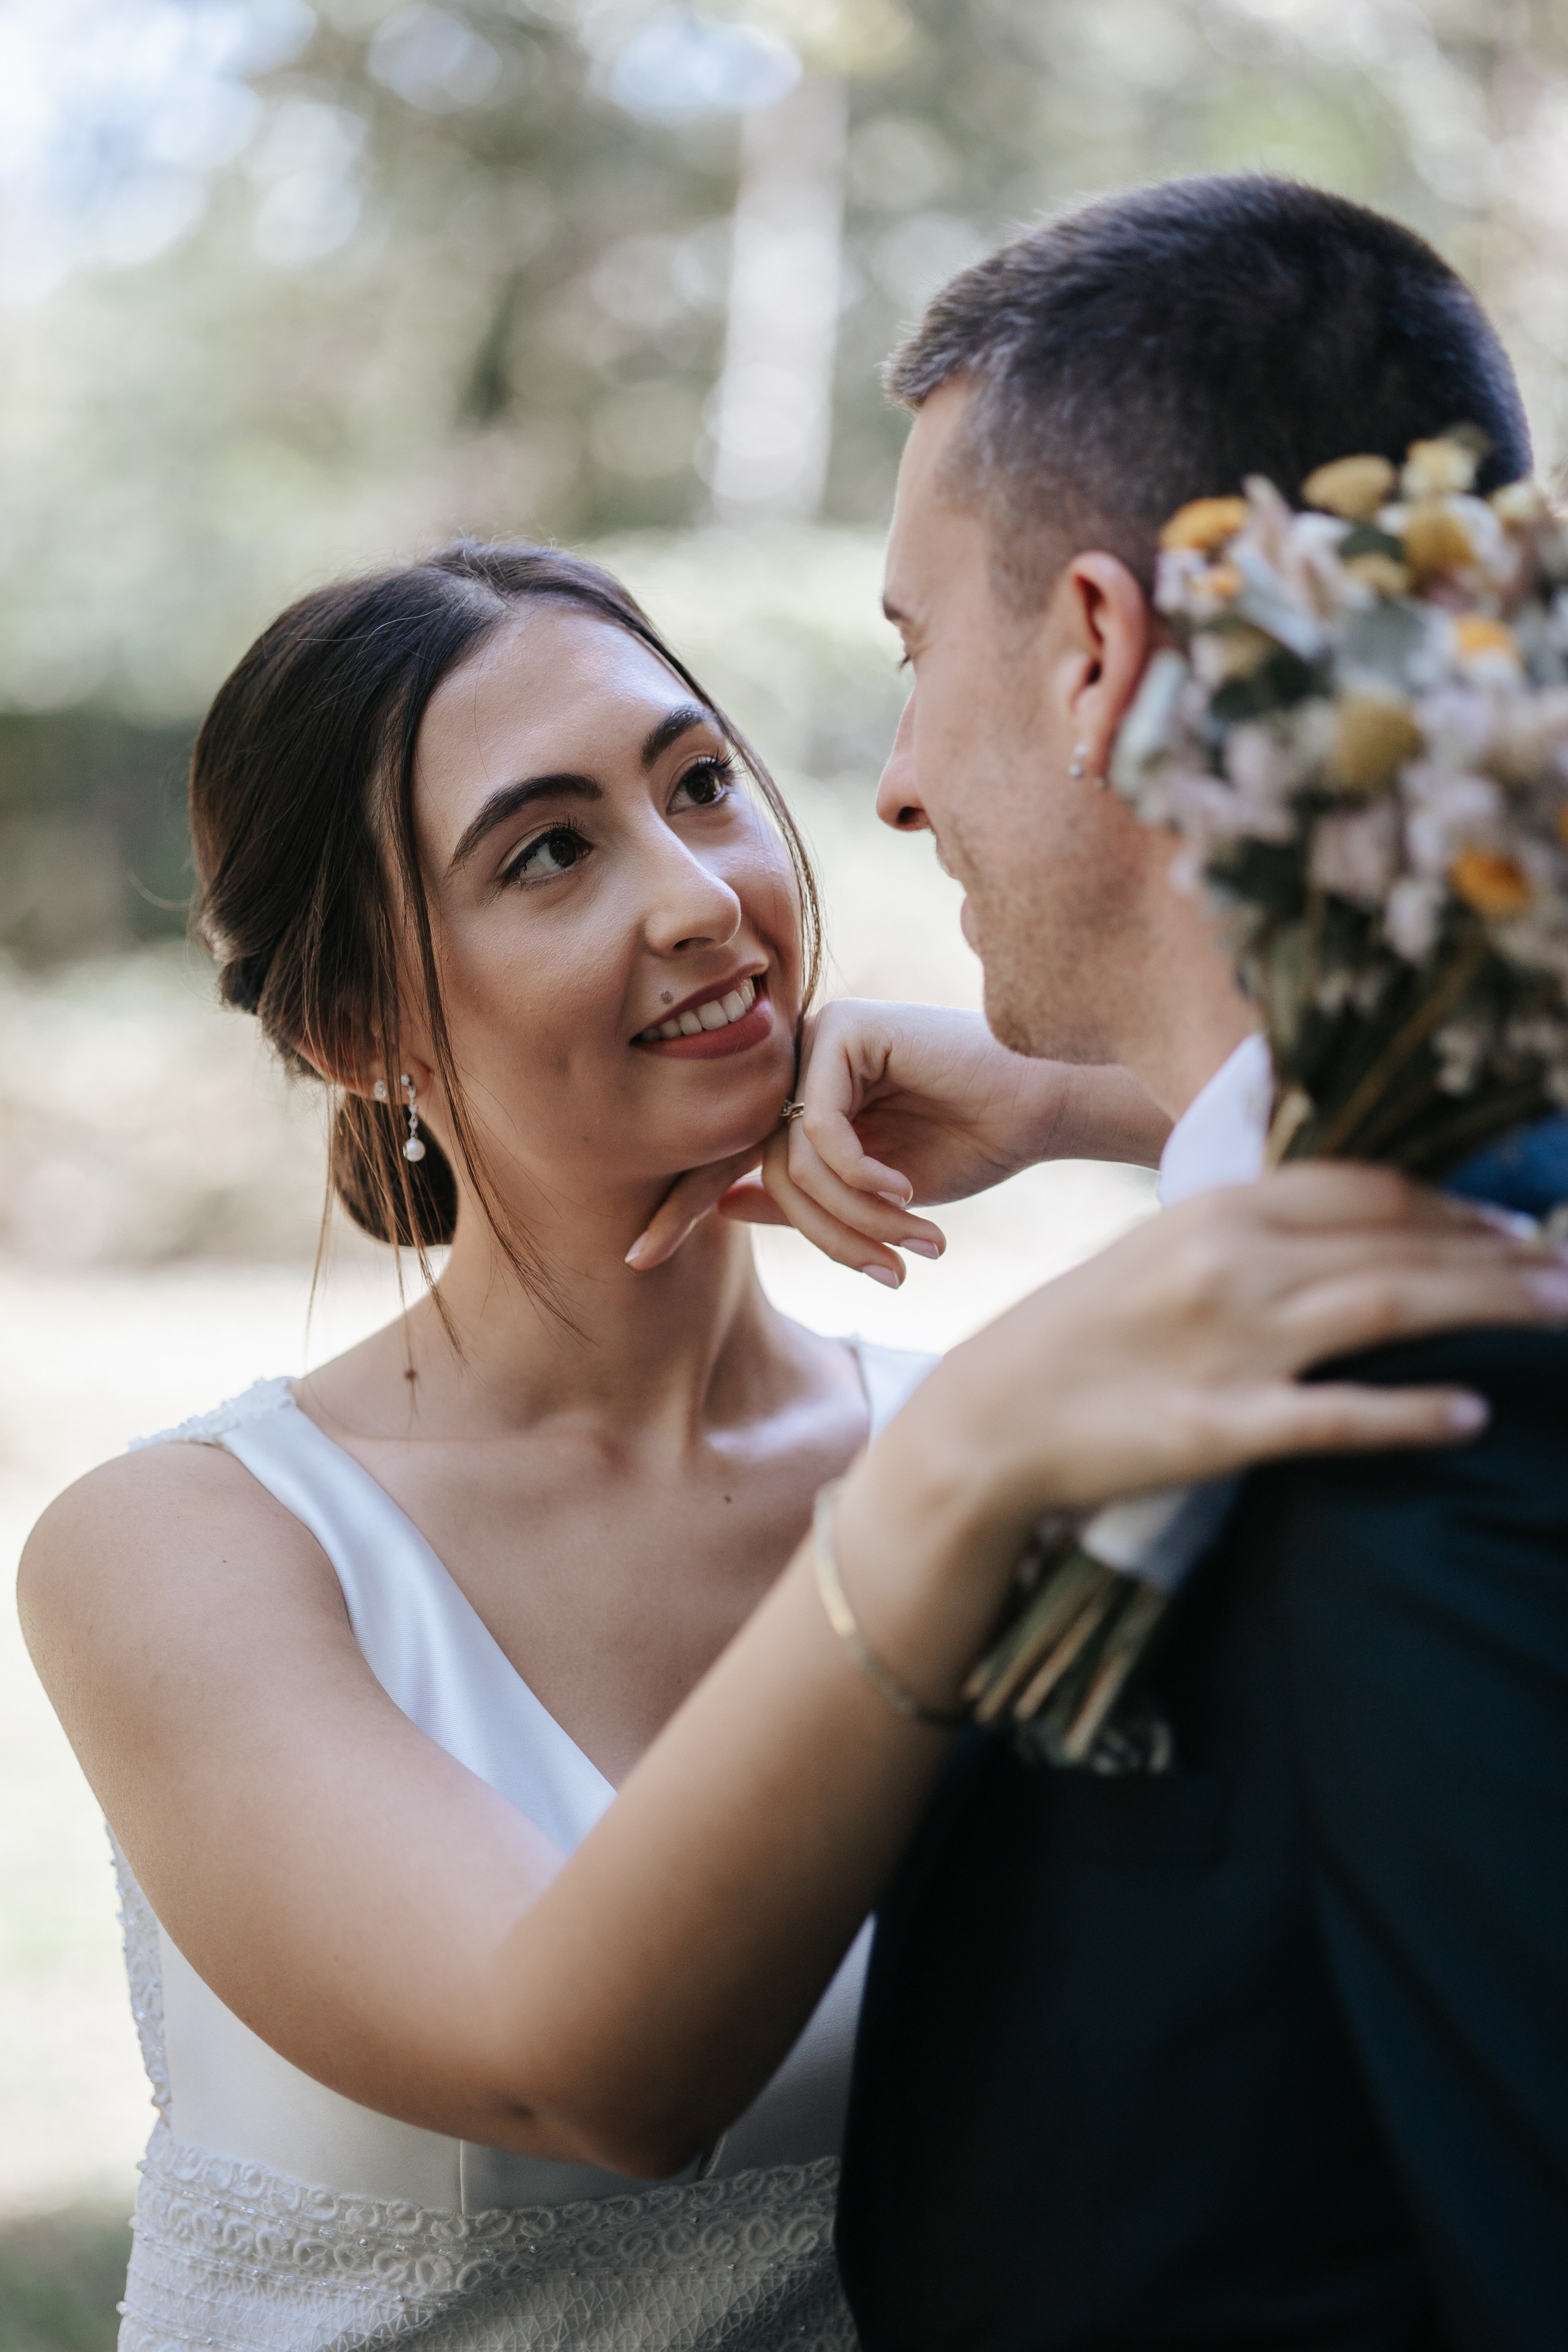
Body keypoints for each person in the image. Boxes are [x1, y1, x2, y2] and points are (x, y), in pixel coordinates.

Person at [17, 543, 1560, 2352]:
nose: (700, 898)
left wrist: (1088, 1102)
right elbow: (579, 2066)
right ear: (360, 1027)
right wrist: (966, 1465)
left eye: (699, 785)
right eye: (549, 852)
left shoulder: (991, 1443)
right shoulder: (182, 1550)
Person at [722, 176, 1568, 2350]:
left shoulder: (1441, 1383)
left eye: (918, 657)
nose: (894, 791)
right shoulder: (1429, 1188)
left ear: (1098, 651)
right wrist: (1121, 1106)